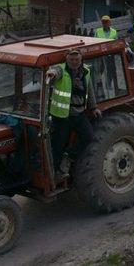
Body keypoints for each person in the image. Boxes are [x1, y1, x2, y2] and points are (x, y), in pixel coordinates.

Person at [45, 49, 101, 180]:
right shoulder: (61, 70)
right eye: (71, 59)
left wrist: (93, 108)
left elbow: (90, 89)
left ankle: (69, 157)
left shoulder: (85, 71)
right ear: (67, 59)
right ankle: (55, 173)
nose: (74, 62)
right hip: (62, 116)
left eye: (77, 59)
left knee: (89, 137)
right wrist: (51, 73)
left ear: (81, 59)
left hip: (79, 114)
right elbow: (54, 71)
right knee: (58, 144)